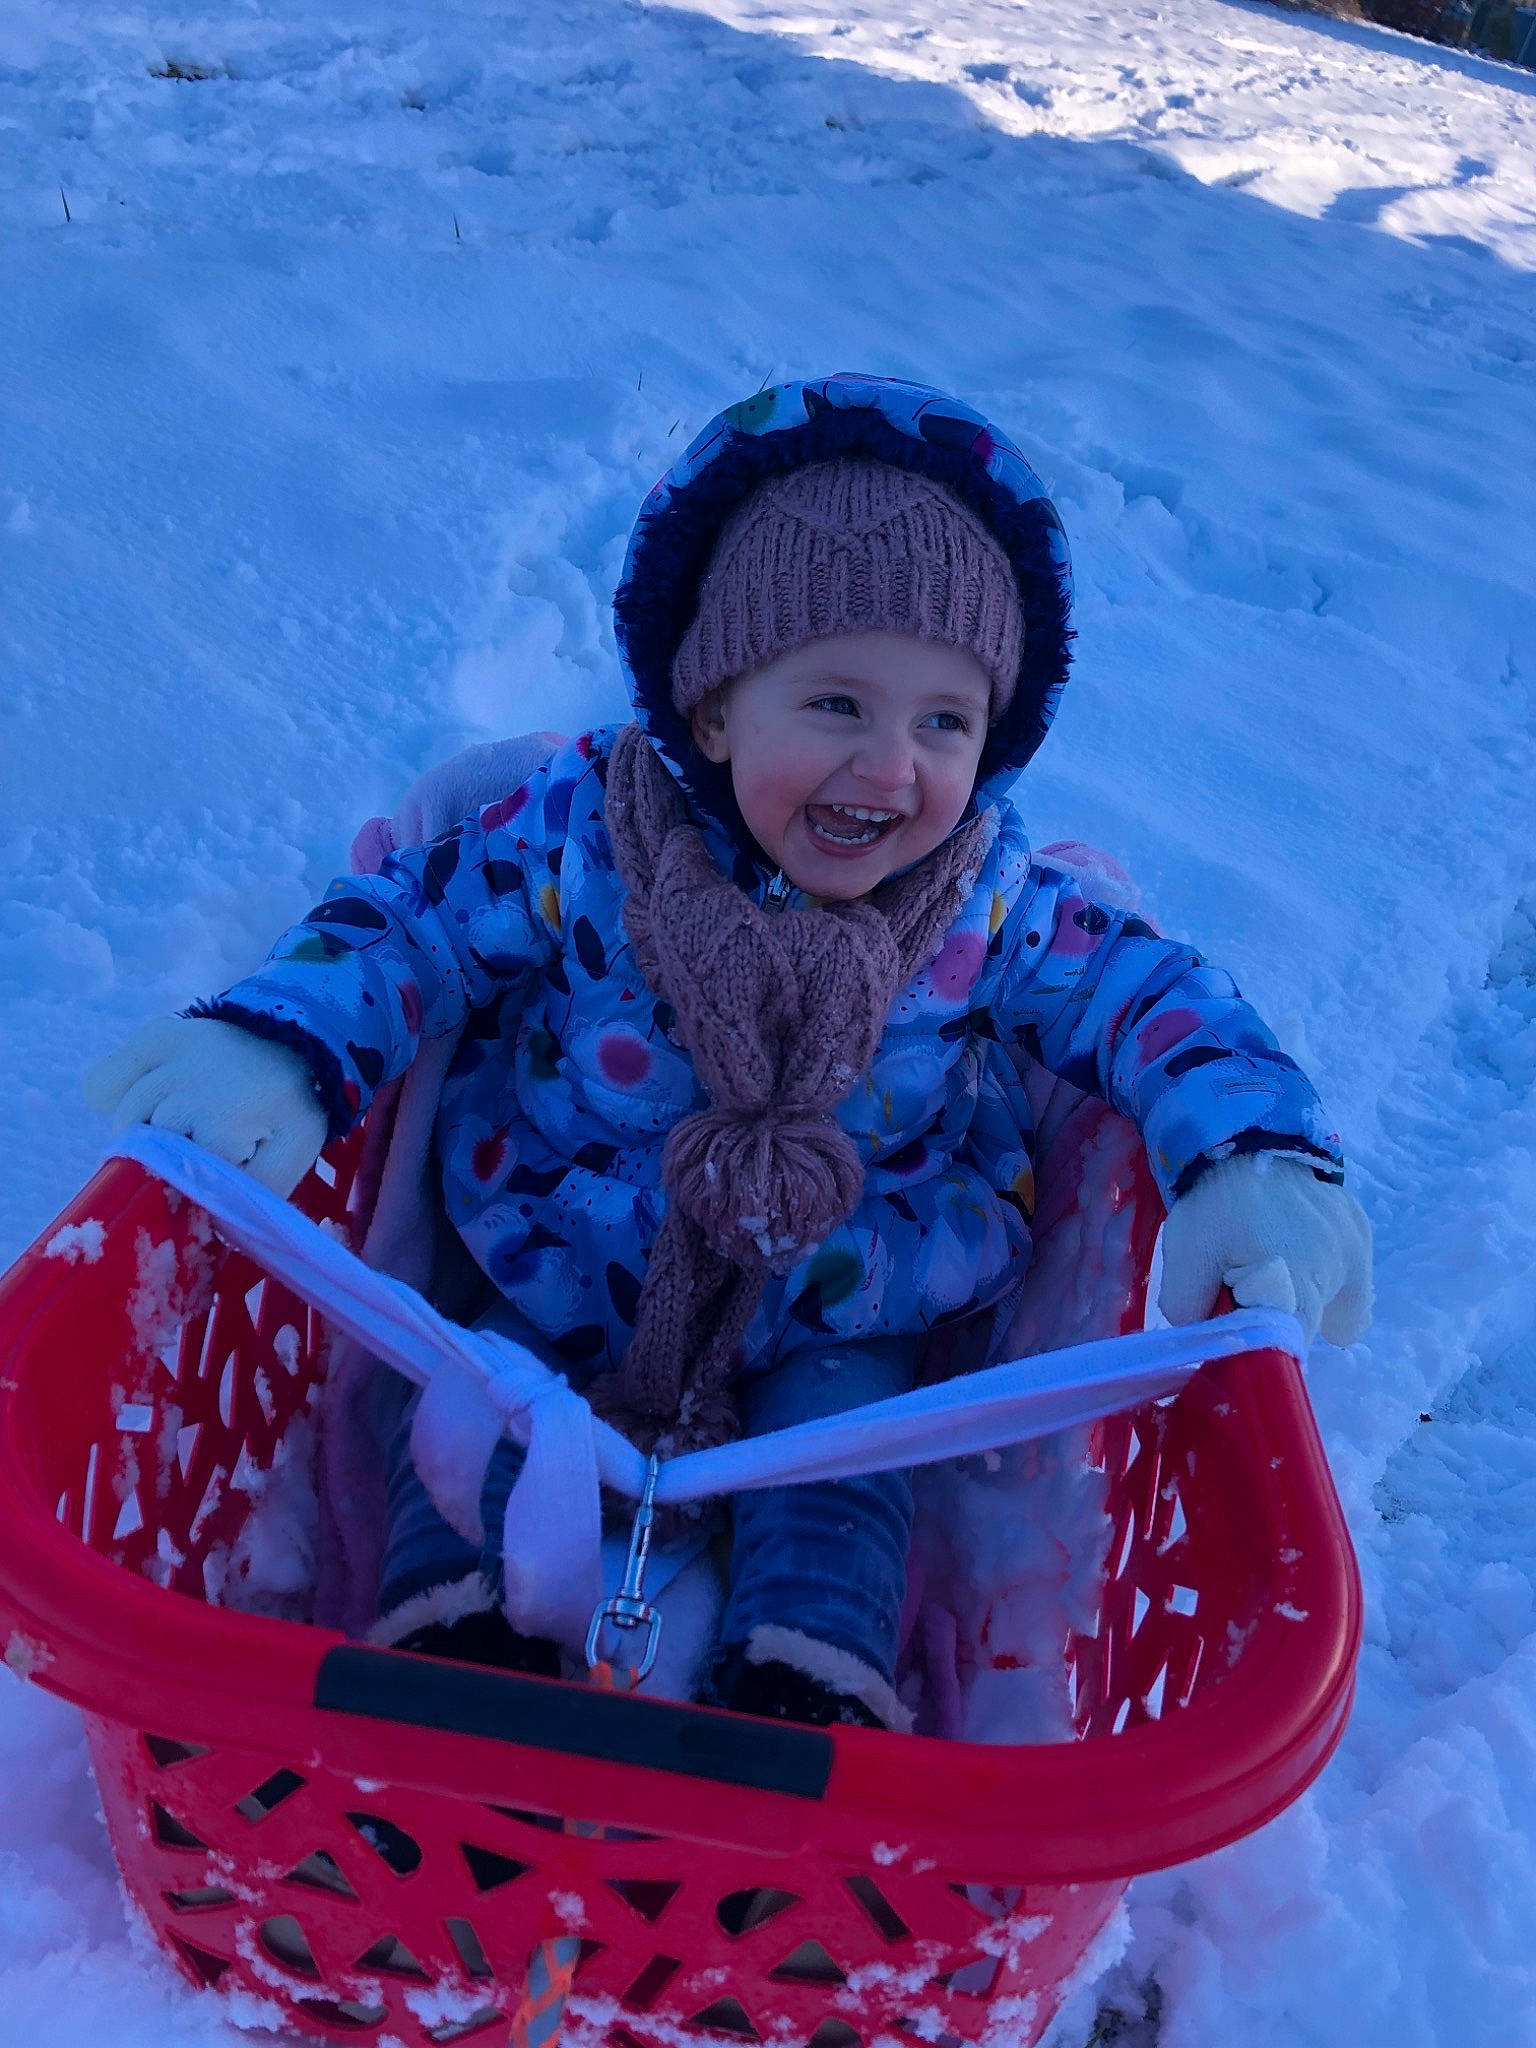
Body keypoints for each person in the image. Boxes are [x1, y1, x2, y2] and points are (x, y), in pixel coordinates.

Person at [85, 373, 1371, 1732]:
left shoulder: (989, 902)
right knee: (457, 1407)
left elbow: (1147, 997)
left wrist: (1252, 1154)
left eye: (945, 720)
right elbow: (412, 932)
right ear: (710, 709)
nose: (892, 766)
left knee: (845, 1463)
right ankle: (445, 1655)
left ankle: (806, 1697)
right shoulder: (582, 836)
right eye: (834, 704)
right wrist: (279, 1048)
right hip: (560, 1254)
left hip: (847, 1292)